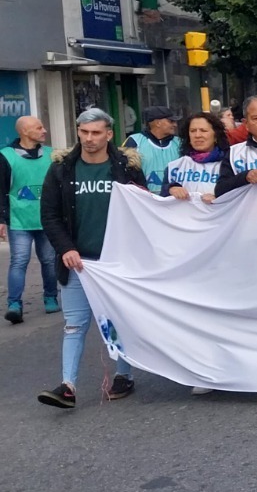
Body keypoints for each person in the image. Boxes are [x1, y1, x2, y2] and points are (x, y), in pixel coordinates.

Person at [37, 108, 149, 409]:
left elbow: (143, 207)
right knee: (74, 324)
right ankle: (67, 385)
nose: (89, 139)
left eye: (96, 132)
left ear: (109, 134)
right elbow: (49, 215)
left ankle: (124, 375)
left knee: (118, 320)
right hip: (77, 262)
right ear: (77, 132)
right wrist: (65, 248)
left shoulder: (126, 167)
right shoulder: (62, 169)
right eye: (84, 132)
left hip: (116, 261)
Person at [1, 116, 57, 324]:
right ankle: (14, 305)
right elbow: (0, 189)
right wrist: (1, 218)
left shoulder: (51, 155)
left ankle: (50, 296)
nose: (44, 130)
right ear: (24, 132)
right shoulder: (6, 156)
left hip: (47, 218)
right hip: (19, 220)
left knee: (49, 260)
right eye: (39, 127)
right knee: (19, 261)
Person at [163, 112, 229, 204]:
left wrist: (219, 198)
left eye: (203, 130)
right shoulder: (175, 166)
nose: (197, 135)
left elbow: (239, 196)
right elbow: (161, 202)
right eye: (193, 131)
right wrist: (170, 189)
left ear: (216, 136)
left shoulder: (230, 164)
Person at [122, 106, 181, 193]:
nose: (175, 125)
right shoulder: (134, 141)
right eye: (171, 121)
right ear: (158, 123)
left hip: (175, 201)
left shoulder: (180, 143)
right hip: (145, 201)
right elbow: (123, 172)